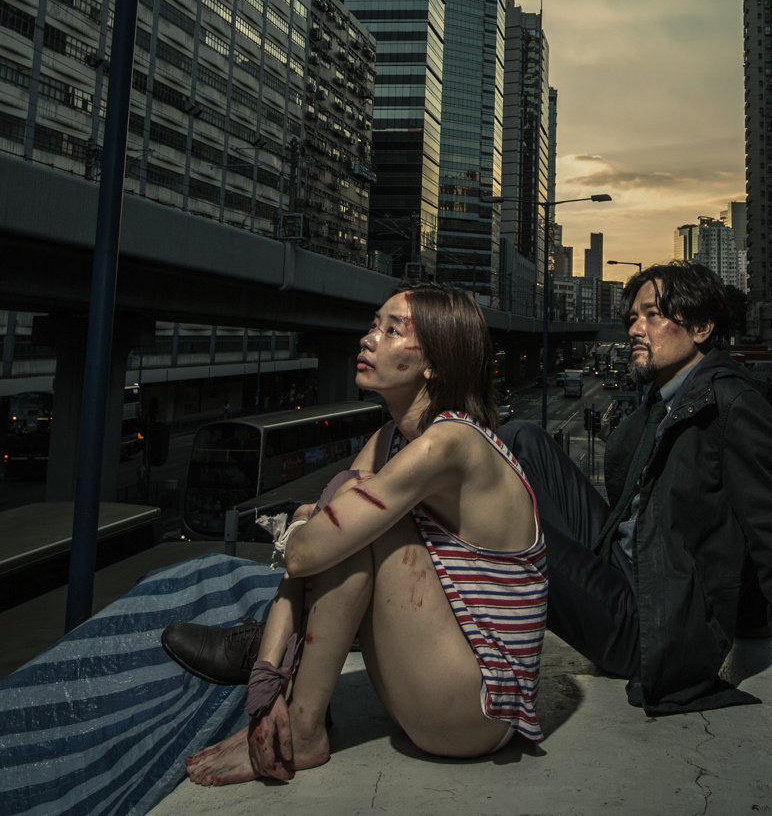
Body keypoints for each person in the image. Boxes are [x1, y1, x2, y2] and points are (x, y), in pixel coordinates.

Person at [168, 287, 547, 784]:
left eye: (392, 331)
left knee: (350, 508)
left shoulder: (450, 443)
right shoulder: (388, 440)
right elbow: (309, 560)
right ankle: (285, 700)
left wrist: (306, 520)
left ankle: (304, 729)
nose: (369, 339)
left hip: (478, 709)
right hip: (427, 683)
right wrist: (264, 686)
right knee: (347, 511)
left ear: (433, 364)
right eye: (374, 325)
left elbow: (305, 551)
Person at [497, 262, 772, 727]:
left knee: (504, 528)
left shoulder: (732, 407)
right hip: (628, 567)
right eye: (632, 317)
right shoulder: (665, 402)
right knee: (521, 437)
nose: (635, 329)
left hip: (652, 621)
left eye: (653, 315)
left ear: (701, 328)